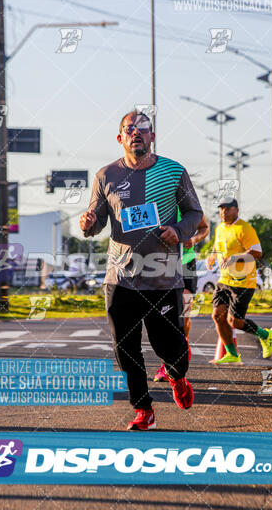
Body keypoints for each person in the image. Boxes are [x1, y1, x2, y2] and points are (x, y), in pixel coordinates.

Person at [79, 110, 203, 430]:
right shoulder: (105, 176)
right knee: (125, 348)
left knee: (169, 347)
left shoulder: (174, 171)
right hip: (121, 276)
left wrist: (179, 229)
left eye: (143, 128)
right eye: (129, 129)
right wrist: (89, 223)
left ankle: (176, 376)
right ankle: (143, 409)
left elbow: (194, 213)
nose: (136, 133)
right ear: (120, 138)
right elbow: (96, 217)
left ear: (152, 136)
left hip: (162, 273)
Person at [207, 198, 272, 364]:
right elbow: (218, 247)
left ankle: (265, 335)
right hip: (224, 280)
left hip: (243, 282)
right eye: (222, 209)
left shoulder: (245, 228)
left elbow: (258, 252)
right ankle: (232, 354)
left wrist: (234, 257)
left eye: (227, 209)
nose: (224, 212)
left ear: (236, 210)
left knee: (234, 321)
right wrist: (212, 256)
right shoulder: (219, 228)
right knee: (217, 316)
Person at [153, 213, 209, 382]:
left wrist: (194, 239)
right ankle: (167, 363)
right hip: (162, 263)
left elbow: (204, 228)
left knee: (184, 313)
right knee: (163, 317)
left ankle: (181, 348)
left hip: (186, 263)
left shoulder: (189, 206)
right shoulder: (157, 202)